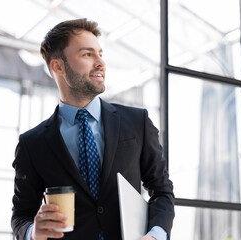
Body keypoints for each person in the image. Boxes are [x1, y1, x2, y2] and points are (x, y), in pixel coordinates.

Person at [11, 18, 174, 240]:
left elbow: (162, 191)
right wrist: (33, 232)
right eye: (87, 54)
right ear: (58, 66)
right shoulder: (33, 143)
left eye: (100, 54)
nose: (100, 62)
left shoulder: (138, 122)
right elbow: (21, 216)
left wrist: (155, 235)